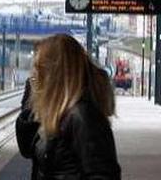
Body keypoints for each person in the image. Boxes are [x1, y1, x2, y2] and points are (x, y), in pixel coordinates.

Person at [15, 34, 120, 180]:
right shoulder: (58, 112)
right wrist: (32, 100)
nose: (34, 75)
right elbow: (26, 147)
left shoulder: (83, 116)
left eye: (39, 69)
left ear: (54, 72)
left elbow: (103, 173)